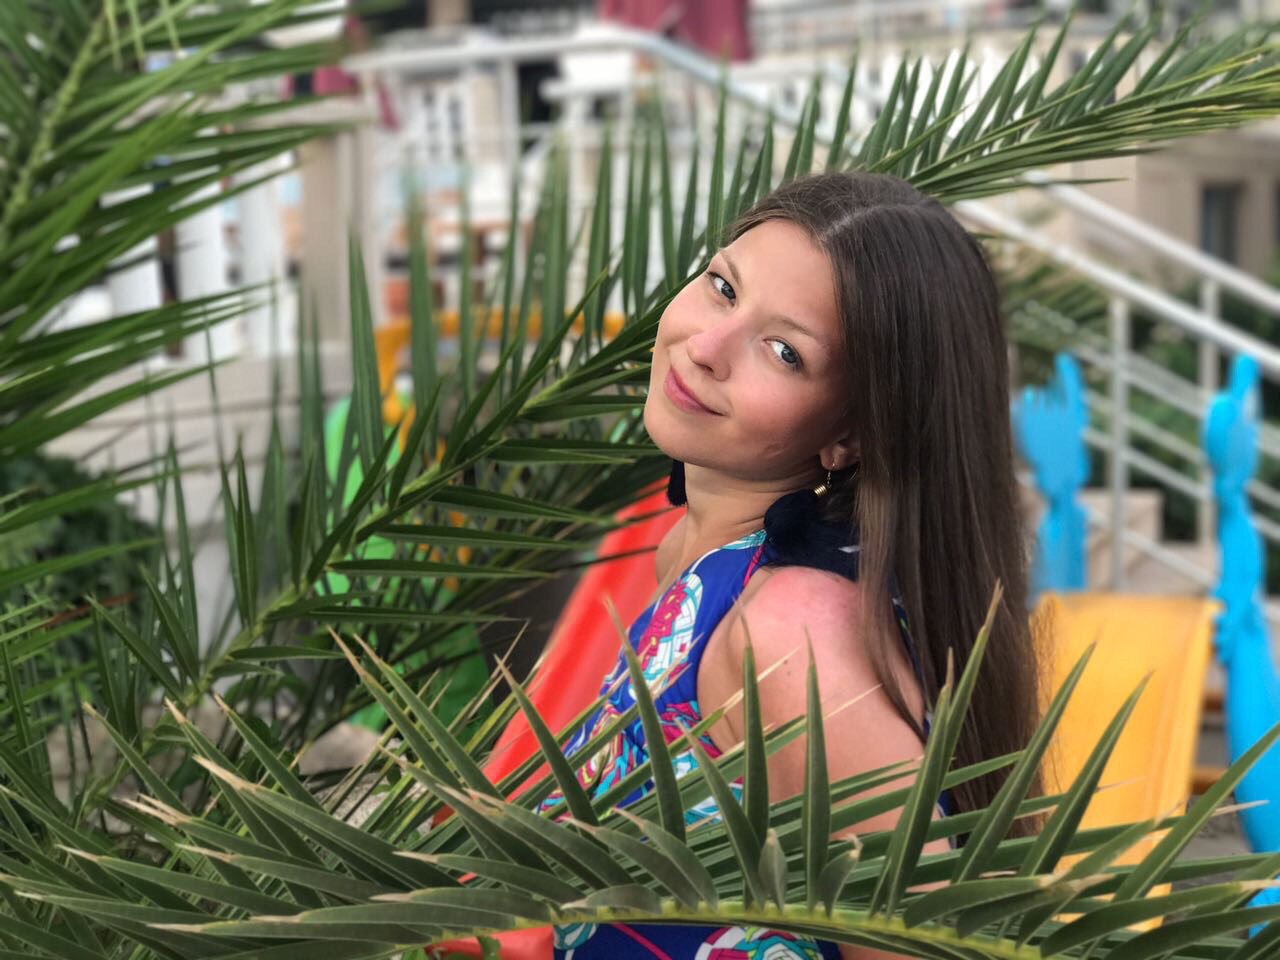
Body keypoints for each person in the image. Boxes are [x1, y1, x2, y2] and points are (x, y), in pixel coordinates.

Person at [541, 171, 1043, 960]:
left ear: (851, 435)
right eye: (722, 287)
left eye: (784, 352)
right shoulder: (700, 562)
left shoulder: (787, 633)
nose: (705, 349)